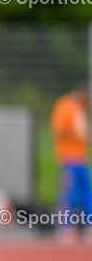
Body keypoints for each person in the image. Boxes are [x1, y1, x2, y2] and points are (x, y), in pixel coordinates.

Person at [50, 88, 92, 243]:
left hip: (81, 158)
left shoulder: (80, 109)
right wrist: (76, 135)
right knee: (69, 194)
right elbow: (58, 130)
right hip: (68, 157)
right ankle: (66, 227)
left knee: (87, 194)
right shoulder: (64, 105)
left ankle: (88, 227)